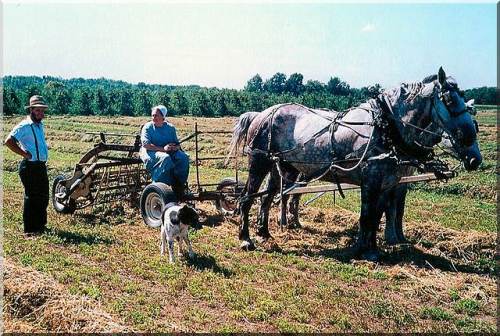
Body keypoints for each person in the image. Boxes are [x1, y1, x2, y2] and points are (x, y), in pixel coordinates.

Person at [4, 95, 50, 237]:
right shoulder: (24, 125)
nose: (41, 114)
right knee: (32, 197)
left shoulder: (39, 125)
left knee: (43, 196)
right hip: (29, 167)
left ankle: (40, 226)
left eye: (42, 111)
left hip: (40, 166)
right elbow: (8, 141)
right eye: (38, 111)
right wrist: (25, 154)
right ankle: (30, 230)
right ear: (31, 110)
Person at [139, 105, 190, 199]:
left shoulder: (170, 128)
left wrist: (176, 147)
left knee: (184, 157)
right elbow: (146, 145)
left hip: (167, 151)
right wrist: (164, 149)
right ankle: (158, 187)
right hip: (150, 151)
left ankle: (178, 185)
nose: (154, 118)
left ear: (163, 117)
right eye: (153, 115)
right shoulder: (148, 127)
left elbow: (177, 143)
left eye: (156, 115)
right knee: (165, 158)